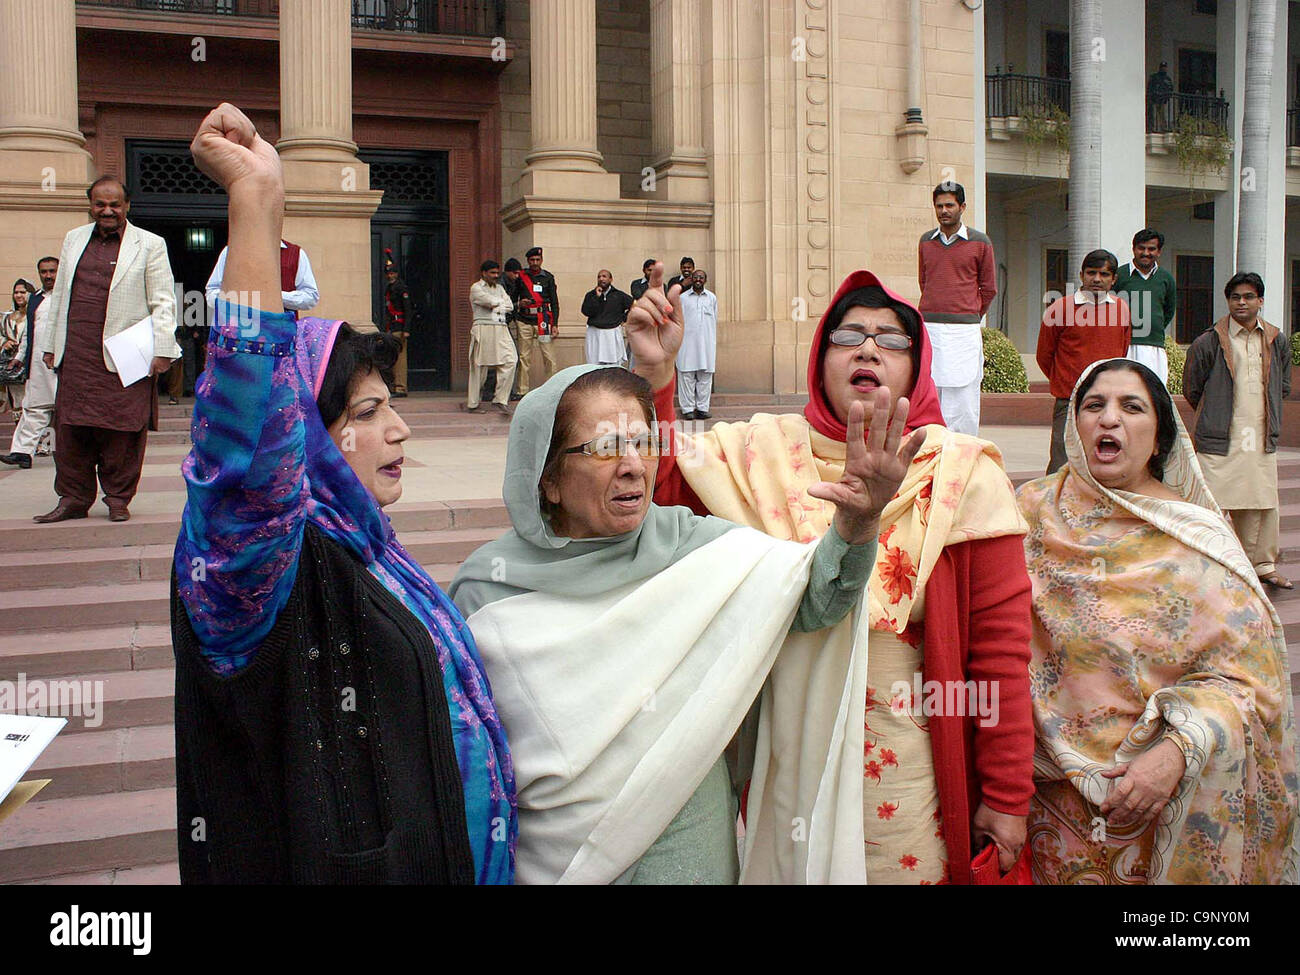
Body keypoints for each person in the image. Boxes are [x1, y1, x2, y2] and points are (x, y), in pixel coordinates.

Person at [172, 102, 515, 885]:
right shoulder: (259, 571)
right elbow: (246, 460)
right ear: (305, 440)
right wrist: (256, 205)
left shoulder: (374, 549)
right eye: (366, 412)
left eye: (392, 404)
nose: (400, 431)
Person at [635, 264, 1036, 884]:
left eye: (892, 338)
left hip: (907, 762)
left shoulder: (962, 475)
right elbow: (657, 507)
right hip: (790, 747)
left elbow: (1001, 656)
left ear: (917, 366)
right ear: (821, 362)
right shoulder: (757, 452)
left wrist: (1007, 798)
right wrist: (657, 379)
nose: (870, 347)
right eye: (848, 336)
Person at [450, 361, 920, 883]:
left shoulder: (695, 548)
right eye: (605, 448)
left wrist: (857, 523)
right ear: (549, 480)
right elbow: (466, 758)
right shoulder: (487, 590)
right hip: (553, 864)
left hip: (691, 857)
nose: (633, 466)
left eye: (644, 442)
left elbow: (815, 600)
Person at [1017, 358, 1298, 884]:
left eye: (1132, 407)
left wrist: (1173, 751)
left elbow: (1252, 685)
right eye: (1094, 405)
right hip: (1042, 797)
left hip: (1155, 799)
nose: (1109, 420)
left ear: (1160, 436)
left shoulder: (1195, 536)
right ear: (1074, 427)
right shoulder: (1029, 512)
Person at [36, 176, 181, 524]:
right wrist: (50, 344)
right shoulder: (73, 239)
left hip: (125, 355)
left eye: (115, 204)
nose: (108, 211)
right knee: (71, 432)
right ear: (90, 205)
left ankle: (118, 498)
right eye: (100, 204)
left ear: (127, 206)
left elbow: (163, 301)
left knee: (123, 432)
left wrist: (163, 349)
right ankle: (73, 498)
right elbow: (60, 299)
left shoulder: (149, 244)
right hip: (78, 353)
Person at [1183, 272, 1292, 589]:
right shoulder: (1209, 341)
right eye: (1235, 297)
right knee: (1212, 504)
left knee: (1261, 504)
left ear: (1260, 301)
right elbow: (1193, 388)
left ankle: (1262, 566)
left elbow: (1282, 386)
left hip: (1259, 437)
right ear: (1228, 301)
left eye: (1248, 297)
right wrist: (1216, 414)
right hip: (1219, 438)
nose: (1241, 303)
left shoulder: (1275, 339)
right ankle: (1206, 563)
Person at [1036, 249, 1132, 475]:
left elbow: (1122, 350)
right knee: (1061, 458)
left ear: (1113, 279)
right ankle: (1054, 505)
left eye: (1104, 274)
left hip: (1108, 401)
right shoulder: (1059, 308)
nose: (1097, 279)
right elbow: (1044, 355)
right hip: (1069, 399)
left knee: (1103, 456)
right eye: (1091, 273)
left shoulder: (1122, 309)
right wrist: (1066, 382)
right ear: (1081, 275)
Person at [917, 181, 997, 436]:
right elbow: (924, 280)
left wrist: (968, 313)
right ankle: (931, 449)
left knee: (963, 397)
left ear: (962, 207)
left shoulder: (980, 242)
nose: (944, 211)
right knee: (931, 389)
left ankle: (963, 452)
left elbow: (989, 288)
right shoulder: (926, 242)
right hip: (930, 327)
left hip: (964, 330)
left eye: (949, 205)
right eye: (939, 206)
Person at [2, 257, 59, 469]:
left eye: (52, 271)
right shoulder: (34, 299)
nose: (48, 275)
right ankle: (22, 452)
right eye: (44, 272)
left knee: (63, 411)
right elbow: (28, 333)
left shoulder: (68, 296)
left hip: (62, 366)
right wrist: (19, 358)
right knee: (33, 408)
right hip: (36, 365)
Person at [1114, 229, 1176, 385]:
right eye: (1141, 248)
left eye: (1151, 249)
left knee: (1152, 393)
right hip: (1124, 347)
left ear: (1159, 251)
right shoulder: (1119, 276)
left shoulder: (1166, 278)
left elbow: (1169, 310)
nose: (1146, 253)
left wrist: (1151, 326)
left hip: (1154, 347)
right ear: (1133, 249)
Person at [203, 238, 319, 316]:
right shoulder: (231, 251)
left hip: (281, 336)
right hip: (240, 334)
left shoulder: (295, 253)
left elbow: (311, 296)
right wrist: (237, 297)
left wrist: (273, 296)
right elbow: (212, 293)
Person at [466, 259, 516, 415]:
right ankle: (473, 403)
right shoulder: (476, 287)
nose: (495, 276)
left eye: (497, 273)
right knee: (479, 366)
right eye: (492, 273)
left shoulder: (500, 288)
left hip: (501, 328)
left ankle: (500, 399)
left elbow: (510, 306)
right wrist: (498, 304)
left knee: (511, 360)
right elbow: (487, 301)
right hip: (483, 327)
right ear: (484, 273)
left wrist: (497, 304)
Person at [514, 246, 558, 395]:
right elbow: (514, 298)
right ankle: (522, 391)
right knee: (523, 357)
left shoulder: (548, 277)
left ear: (541, 260)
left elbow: (554, 301)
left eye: (537, 260)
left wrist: (555, 324)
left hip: (543, 321)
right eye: (532, 260)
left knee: (549, 357)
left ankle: (551, 389)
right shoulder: (521, 277)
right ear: (528, 261)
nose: (535, 262)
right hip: (524, 320)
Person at [676, 269, 717, 420]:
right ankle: (687, 409)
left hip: (706, 344)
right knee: (686, 376)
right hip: (686, 343)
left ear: (705, 280)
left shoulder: (711, 298)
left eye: (701, 277)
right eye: (695, 277)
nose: (698, 279)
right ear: (691, 279)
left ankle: (702, 408)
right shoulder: (682, 298)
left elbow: (714, 321)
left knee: (705, 377)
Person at [580, 269, 632, 366]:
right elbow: (586, 311)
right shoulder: (591, 295)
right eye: (599, 277)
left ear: (611, 279)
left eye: (604, 276)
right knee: (593, 365)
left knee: (612, 367)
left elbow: (635, 306)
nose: (601, 279)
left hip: (612, 333)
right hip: (594, 333)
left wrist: (623, 318)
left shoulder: (619, 295)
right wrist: (596, 297)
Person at [381, 250, 412, 397]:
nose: (390, 276)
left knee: (400, 358)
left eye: (392, 273)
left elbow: (408, 309)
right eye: (388, 273)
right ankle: (393, 385)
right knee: (392, 357)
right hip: (391, 326)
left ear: (397, 274)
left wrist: (406, 329)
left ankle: (401, 387)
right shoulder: (390, 288)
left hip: (399, 326)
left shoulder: (402, 288)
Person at [1, 279, 33, 417]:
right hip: (13, 369)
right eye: (16, 292)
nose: (19, 295)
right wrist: (4, 343)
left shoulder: (36, 315)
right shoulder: (7, 318)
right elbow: (2, 335)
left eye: (23, 292)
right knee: (17, 405)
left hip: (31, 366)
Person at [1147, 62, 1175, 132]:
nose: (1164, 68)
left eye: (1165, 67)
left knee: (1162, 114)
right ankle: (1152, 128)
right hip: (1154, 99)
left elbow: (1170, 89)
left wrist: (1167, 98)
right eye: (1162, 67)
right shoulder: (1155, 77)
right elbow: (1150, 87)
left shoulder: (1167, 79)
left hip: (1162, 100)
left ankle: (1163, 128)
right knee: (1153, 114)